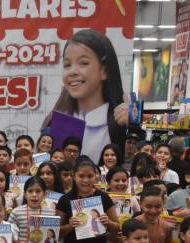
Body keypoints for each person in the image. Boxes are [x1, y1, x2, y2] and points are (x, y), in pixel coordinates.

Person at [44, 29, 128, 162]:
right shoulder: (58, 121)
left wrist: (132, 125)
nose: (72, 72)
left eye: (83, 63)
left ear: (104, 71)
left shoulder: (118, 123)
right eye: (67, 65)